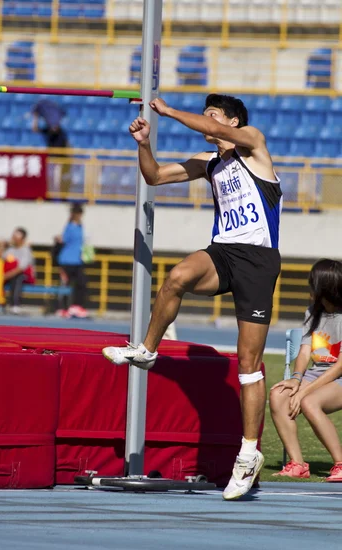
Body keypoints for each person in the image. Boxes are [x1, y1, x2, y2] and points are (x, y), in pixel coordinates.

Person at [102, 94, 283, 500]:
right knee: (177, 277)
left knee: (249, 364)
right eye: (203, 116)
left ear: (234, 121)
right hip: (223, 251)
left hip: (257, 259)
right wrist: (145, 145)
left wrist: (167, 111)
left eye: (213, 115)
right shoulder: (210, 164)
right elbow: (154, 177)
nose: (206, 122)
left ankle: (249, 453)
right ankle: (147, 350)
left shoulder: (252, 144)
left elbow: (218, 132)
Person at [270, 259, 342, 482]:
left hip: (339, 375)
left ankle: (340, 463)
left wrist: (302, 393)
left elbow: (340, 365)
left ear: (324, 288)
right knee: (278, 395)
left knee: (309, 402)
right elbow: (304, 352)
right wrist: (296, 380)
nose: (309, 287)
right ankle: (298, 464)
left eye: (312, 283)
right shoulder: (312, 312)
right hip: (318, 374)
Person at [55, 204, 89, 319]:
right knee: (65, 284)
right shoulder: (69, 227)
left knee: (81, 283)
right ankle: (62, 308)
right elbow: (63, 240)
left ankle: (76, 306)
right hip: (66, 260)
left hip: (77, 261)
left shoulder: (80, 227)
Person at [32, 99, 70, 195]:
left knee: (57, 179)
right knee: (50, 178)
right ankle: (50, 194)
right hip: (51, 158)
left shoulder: (60, 132)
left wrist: (54, 119)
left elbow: (56, 129)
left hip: (59, 159)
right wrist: (36, 117)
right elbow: (35, 129)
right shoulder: (47, 129)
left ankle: (57, 195)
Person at [0, 227, 35, 314]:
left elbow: (21, 268)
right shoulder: (11, 250)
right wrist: (2, 246)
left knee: (17, 278)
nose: (13, 239)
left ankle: (15, 305)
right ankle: (0, 304)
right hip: (9, 275)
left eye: (16, 237)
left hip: (24, 276)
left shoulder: (26, 251)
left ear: (22, 239)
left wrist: (6, 276)